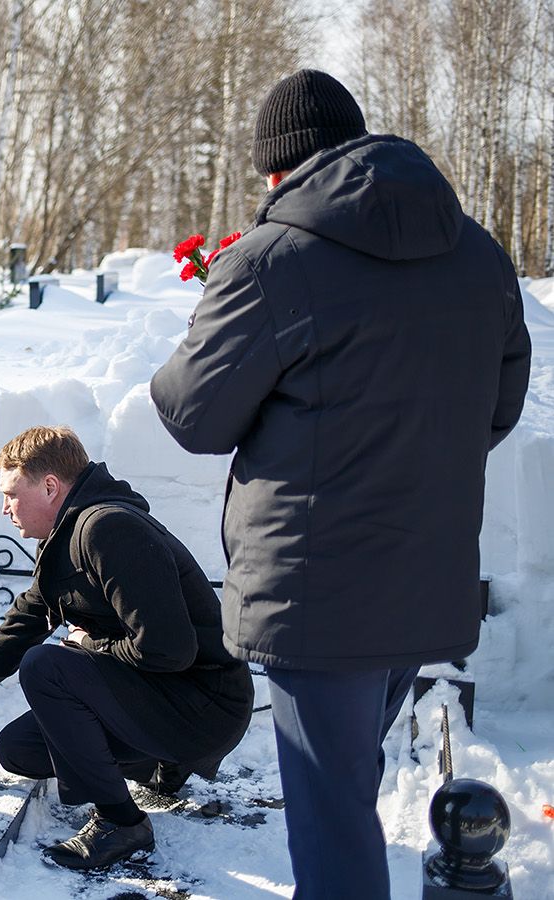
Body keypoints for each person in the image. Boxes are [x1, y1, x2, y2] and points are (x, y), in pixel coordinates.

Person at [149, 69, 531, 900]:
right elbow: (496, 408)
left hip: (317, 597)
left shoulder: (271, 262)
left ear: (277, 169)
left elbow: (193, 415)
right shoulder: (476, 254)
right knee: (348, 793)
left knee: (332, 824)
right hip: (421, 576)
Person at [0, 426, 254, 870]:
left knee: (46, 665)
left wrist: (88, 643)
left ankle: (121, 822)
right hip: (161, 695)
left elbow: (168, 650)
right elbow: (12, 634)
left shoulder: (107, 528)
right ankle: (159, 764)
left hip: (204, 705)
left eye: (11, 494)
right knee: (18, 749)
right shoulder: (65, 540)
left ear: (50, 486)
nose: (4, 508)